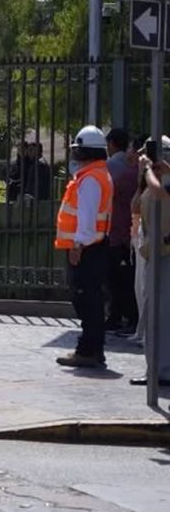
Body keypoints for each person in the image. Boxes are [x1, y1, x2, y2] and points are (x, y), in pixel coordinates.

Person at [54, 124, 113, 368]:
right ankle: (92, 348)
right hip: (95, 246)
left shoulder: (90, 179)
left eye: (77, 150)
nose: (74, 154)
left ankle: (88, 349)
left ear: (86, 152)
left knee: (85, 300)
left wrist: (78, 245)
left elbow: (87, 219)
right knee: (91, 300)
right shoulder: (99, 174)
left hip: (87, 248)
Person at [131, 143, 170, 387]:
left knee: (161, 315)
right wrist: (144, 175)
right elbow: (138, 202)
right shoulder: (158, 179)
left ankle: (162, 371)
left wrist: (148, 170)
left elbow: (160, 194)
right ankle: (156, 368)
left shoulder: (161, 183)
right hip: (155, 253)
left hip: (165, 253)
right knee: (153, 312)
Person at [104, 128, 139, 335]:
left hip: (120, 232)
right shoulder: (131, 171)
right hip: (129, 232)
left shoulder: (122, 172)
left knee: (118, 280)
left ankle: (121, 317)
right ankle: (126, 318)